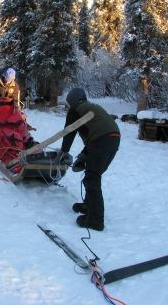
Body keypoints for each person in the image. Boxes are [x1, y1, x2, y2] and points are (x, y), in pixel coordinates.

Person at [55, 88, 120, 231]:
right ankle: (89, 206)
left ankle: (95, 221)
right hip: (113, 139)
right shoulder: (91, 108)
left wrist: (63, 153)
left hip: (102, 140)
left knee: (92, 177)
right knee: (92, 174)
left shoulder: (75, 111)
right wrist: (84, 157)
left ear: (72, 101)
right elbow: (94, 137)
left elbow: (69, 132)